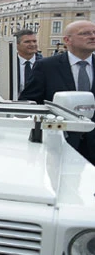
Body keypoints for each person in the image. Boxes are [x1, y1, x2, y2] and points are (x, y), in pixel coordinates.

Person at [20, 20, 95, 164]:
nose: (92, 36)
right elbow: (29, 102)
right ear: (67, 40)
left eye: (94, 33)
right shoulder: (46, 67)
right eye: (85, 33)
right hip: (59, 144)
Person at [14, 29, 43, 93]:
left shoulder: (45, 65)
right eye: (27, 42)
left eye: (34, 41)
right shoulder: (9, 64)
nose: (32, 44)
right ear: (16, 44)